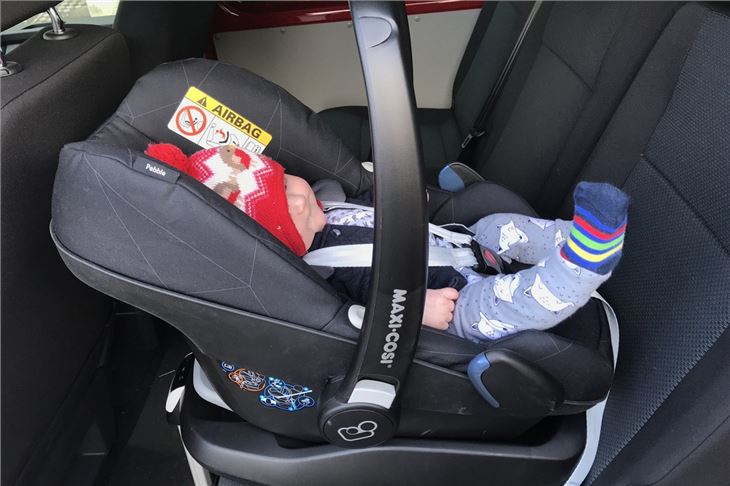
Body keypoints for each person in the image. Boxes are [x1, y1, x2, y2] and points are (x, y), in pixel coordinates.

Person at [145, 143, 628, 344]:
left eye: (285, 179)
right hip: (452, 302)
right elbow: (353, 322)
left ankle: (570, 234)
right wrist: (415, 311)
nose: (298, 193)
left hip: (456, 245)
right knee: (509, 304)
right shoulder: (317, 277)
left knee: (497, 225)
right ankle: (584, 262)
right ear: (276, 242)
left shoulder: (327, 201)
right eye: (284, 206)